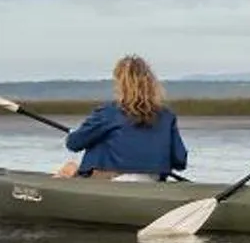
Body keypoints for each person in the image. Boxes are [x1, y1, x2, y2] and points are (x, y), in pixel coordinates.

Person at [57, 55, 188, 180]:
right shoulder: (167, 116)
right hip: (153, 180)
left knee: (70, 167)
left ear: (121, 85)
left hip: (111, 180)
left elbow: (73, 144)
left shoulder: (108, 113)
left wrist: (76, 134)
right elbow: (180, 161)